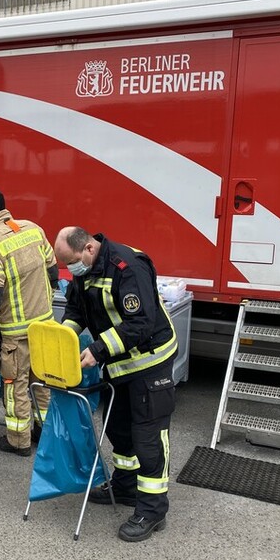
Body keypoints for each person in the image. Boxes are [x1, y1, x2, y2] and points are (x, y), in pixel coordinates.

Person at [53, 226, 177, 542]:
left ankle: (152, 509)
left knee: (148, 436)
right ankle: (125, 486)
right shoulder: (86, 270)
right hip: (119, 363)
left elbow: (140, 322)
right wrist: (66, 338)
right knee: (118, 428)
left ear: (89, 249)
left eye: (72, 263)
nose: (71, 270)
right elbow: (77, 308)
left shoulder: (128, 266)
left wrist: (96, 349)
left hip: (150, 361)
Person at [0, 188, 57, 456]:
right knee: (42, 381)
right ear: (4, 206)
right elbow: (52, 268)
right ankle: (44, 431)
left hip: (16, 332)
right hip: (44, 324)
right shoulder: (33, 228)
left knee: (15, 385)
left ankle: (18, 440)